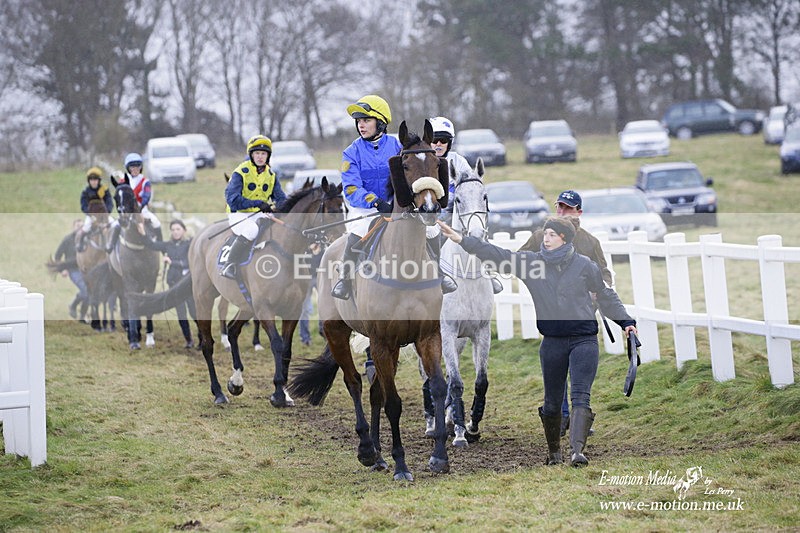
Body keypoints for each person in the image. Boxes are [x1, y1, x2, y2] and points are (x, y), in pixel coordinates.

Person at [438, 215, 637, 467]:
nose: (546, 238)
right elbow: (499, 255)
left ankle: (577, 452)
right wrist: (463, 240)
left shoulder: (586, 266)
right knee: (552, 403)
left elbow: (606, 296)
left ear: (564, 238)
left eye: (552, 235)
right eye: (545, 234)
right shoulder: (532, 264)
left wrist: (627, 323)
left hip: (584, 339)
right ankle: (554, 452)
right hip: (552, 341)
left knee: (580, 396)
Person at [519, 190, 613, 437]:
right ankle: (561, 417)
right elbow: (520, 260)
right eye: (559, 207)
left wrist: (597, 293)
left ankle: (580, 416)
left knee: (578, 368)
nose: (563, 212)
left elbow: (604, 274)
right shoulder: (541, 236)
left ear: (579, 212)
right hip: (553, 315)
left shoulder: (590, 242)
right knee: (558, 367)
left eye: (568, 208)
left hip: (582, 315)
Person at [331, 94, 403, 299]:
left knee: (429, 230)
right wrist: (375, 201)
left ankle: (440, 273)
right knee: (359, 230)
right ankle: (344, 280)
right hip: (364, 207)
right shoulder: (351, 152)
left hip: (394, 205)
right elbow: (352, 189)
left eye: (366, 120)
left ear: (380, 122)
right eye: (359, 121)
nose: (361, 125)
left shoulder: (398, 146)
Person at [429, 116, 503, 295]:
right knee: (432, 234)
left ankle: (487, 271)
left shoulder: (459, 161)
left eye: (443, 141)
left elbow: (470, 187)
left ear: (450, 143)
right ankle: (435, 274)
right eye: (434, 140)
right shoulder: (423, 161)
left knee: (477, 226)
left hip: (455, 211)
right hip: (431, 215)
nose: (438, 144)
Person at [221, 135, 287, 279]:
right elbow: (233, 200)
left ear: (268, 156)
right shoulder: (240, 172)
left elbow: (281, 198)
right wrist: (258, 204)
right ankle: (229, 265)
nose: (260, 157)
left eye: (263, 154)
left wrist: (285, 208)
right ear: (251, 155)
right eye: (257, 153)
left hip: (258, 214)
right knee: (251, 230)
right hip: (238, 213)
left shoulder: (271, 175)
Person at [144, 219, 197, 348]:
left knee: (194, 312)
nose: (175, 232)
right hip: (174, 285)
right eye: (173, 230)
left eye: (178, 229)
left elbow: (187, 263)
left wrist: (171, 262)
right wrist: (142, 232)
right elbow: (151, 244)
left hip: (188, 285)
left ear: (184, 230)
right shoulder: (168, 245)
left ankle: (203, 337)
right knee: (181, 314)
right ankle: (189, 340)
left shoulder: (190, 244)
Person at [107, 153, 162, 252]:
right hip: (127, 210)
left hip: (141, 209)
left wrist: (141, 205)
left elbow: (147, 195)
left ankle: (161, 247)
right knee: (116, 224)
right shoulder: (123, 180)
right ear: (128, 168)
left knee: (156, 222)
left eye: (137, 166)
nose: (135, 169)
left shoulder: (145, 181)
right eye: (133, 167)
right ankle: (112, 246)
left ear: (141, 167)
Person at [55, 219, 89, 320]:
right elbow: (57, 256)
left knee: (89, 293)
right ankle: (74, 306)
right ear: (73, 227)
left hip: (86, 270)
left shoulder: (87, 239)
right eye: (78, 226)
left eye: (82, 226)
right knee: (86, 291)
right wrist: (62, 270)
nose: (80, 228)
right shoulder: (68, 240)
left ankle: (82, 316)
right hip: (73, 270)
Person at [76, 166, 114, 252]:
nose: (94, 182)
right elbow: (84, 206)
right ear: (89, 181)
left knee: (114, 224)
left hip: (104, 215)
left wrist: (107, 212)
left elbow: (109, 202)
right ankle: (80, 244)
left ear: (99, 180)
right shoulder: (86, 192)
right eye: (92, 180)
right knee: (86, 227)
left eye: (95, 180)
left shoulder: (103, 190)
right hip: (91, 216)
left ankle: (113, 244)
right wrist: (90, 215)